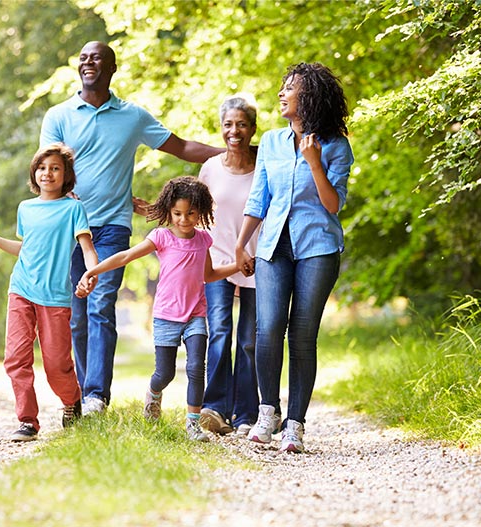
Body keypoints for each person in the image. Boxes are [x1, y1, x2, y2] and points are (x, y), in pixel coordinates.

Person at [40, 41, 223, 416]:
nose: (89, 63)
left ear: (112, 67)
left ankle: (96, 396)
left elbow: (182, 147)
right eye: (83, 58)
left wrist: (232, 153)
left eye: (97, 58)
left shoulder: (132, 116)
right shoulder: (58, 116)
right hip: (69, 230)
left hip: (111, 227)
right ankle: (77, 395)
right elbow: (48, 169)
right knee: (76, 313)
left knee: (101, 302)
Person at [235, 63, 353, 453]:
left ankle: (295, 425)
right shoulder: (269, 142)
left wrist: (315, 162)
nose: (281, 94)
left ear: (311, 97)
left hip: (317, 247)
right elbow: (259, 198)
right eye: (282, 88)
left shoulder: (336, 145)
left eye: (290, 88)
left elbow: (333, 205)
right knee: (266, 328)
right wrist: (241, 243)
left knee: (302, 336)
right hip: (272, 247)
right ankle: (268, 411)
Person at [77, 176, 238, 441]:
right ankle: (153, 394)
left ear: (201, 212)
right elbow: (126, 255)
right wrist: (94, 269)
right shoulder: (161, 237)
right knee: (165, 373)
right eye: (177, 213)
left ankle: (193, 425)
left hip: (196, 314)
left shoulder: (203, 240)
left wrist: (237, 266)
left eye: (190, 213)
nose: (183, 219)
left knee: (197, 366)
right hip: (166, 316)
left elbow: (208, 274)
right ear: (168, 211)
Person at [0, 143, 98, 442]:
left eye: (55, 168)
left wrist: (91, 274)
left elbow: (87, 248)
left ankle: (71, 401)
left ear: (66, 175)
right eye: (42, 167)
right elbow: (26, 248)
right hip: (21, 289)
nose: (47, 173)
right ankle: (27, 421)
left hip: (55, 297)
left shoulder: (73, 208)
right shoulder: (26, 208)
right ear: (34, 172)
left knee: (56, 364)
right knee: (16, 358)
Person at [197, 94, 261, 437]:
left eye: (241, 124)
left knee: (250, 339)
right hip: (218, 260)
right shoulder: (210, 168)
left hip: (255, 260)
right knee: (219, 331)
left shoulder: (263, 164)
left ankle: (246, 413)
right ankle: (216, 408)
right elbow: (197, 215)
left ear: (252, 129)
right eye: (227, 124)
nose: (233, 131)